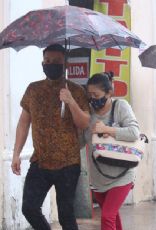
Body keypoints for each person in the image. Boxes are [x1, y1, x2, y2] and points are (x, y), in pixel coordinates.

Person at [11, 44, 90, 229]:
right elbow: (24, 123)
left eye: (56, 61)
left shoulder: (76, 90)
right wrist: (16, 153)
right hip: (40, 161)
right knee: (29, 208)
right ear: (42, 63)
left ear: (65, 64)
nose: (51, 64)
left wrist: (70, 101)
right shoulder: (33, 89)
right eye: (48, 61)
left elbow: (84, 123)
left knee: (66, 215)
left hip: (68, 163)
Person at [83, 72, 140, 230]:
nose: (93, 99)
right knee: (112, 217)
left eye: (96, 94)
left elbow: (134, 132)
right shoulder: (88, 113)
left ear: (109, 93)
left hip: (122, 176)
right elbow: (82, 140)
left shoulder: (120, 106)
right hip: (98, 177)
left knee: (107, 217)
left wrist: (107, 129)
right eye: (90, 95)